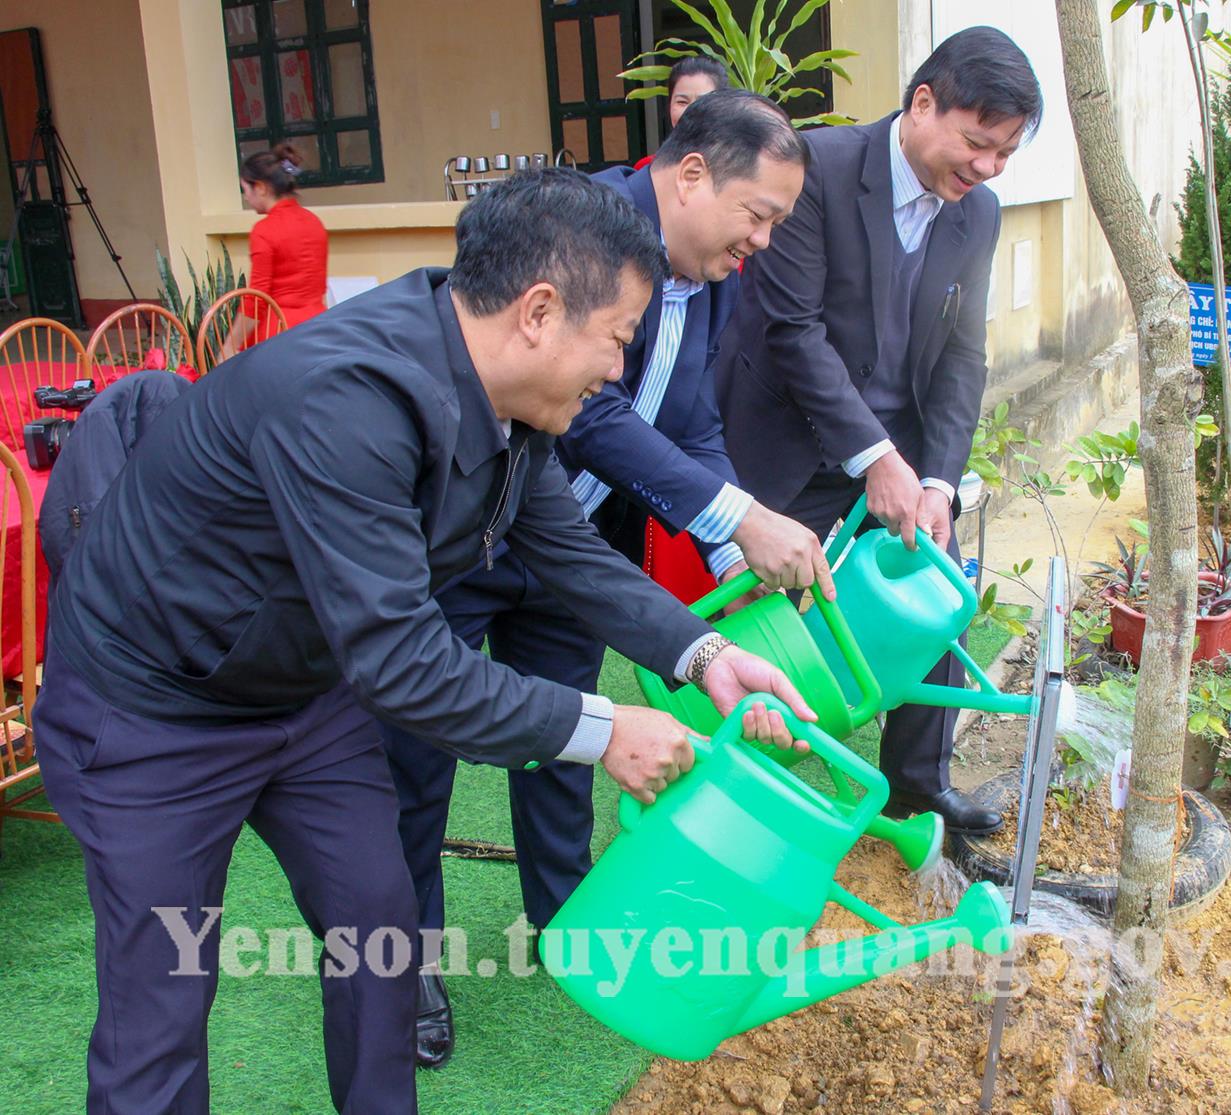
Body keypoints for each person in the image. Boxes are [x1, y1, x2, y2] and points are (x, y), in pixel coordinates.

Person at [34, 169, 814, 1115]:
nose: (617, 369)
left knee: (379, 922)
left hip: (303, 694)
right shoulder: (344, 401)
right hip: (151, 709)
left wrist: (704, 655)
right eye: (614, 339)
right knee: (160, 995)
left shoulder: (503, 393)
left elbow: (570, 553)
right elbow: (402, 664)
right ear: (538, 311)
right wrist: (604, 727)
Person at [379, 89, 822, 1068]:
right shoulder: (576, 236)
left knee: (566, 742)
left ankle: (570, 920)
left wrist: (726, 556)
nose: (761, 242)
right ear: (694, 173)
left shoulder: (706, 276)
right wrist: (739, 514)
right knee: (414, 759)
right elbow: (592, 415)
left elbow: (690, 424)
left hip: (574, 551)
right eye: (759, 216)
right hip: (463, 543)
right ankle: (408, 967)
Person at [716, 27, 1043, 835]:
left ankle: (913, 784)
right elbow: (792, 329)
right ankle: (737, 795)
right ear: (922, 103)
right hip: (785, 441)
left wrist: (934, 482)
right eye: (977, 143)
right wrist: (877, 457)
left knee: (942, 597)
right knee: (761, 615)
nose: (988, 168)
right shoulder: (817, 169)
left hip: (898, 451)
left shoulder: (980, 214)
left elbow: (963, 353)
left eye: (1004, 153)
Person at [217, 143, 330, 360]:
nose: (246, 197)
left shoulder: (264, 230)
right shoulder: (314, 222)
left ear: (260, 187)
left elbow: (257, 299)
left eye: (245, 190)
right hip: (319, 329)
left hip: (279, 334)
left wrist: (229, 347)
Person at [633, 56, 730, 169]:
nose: (691, 110)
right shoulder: (647, 169)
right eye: (682, 102)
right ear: (670, 104)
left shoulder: (740, 168)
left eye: (703, 101)